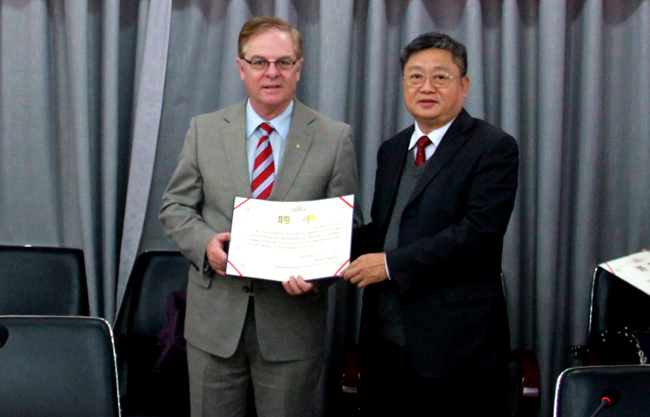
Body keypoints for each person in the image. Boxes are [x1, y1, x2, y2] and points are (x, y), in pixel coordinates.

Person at [159, 16, 361, 417]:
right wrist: (206, 245)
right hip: (214, 326)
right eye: (259, 62)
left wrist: (317, 275)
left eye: (283, 62)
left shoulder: (334, 138)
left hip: (291, 328)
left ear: (299, 68)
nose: (272, 72)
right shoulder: (205, 130)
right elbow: (175, 206)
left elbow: (347, 227)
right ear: (241, 67)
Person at [342, 32, 519, 416]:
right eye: (416, 76)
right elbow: (383, 230)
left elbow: (477, 233)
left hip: (456, 346)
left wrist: (389, 265)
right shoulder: (392, 150)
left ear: (464, 86)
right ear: (404, 84)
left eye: (440, 77)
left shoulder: (493, 147)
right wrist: (311, 245)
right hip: (384, 341)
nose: (426, 87)